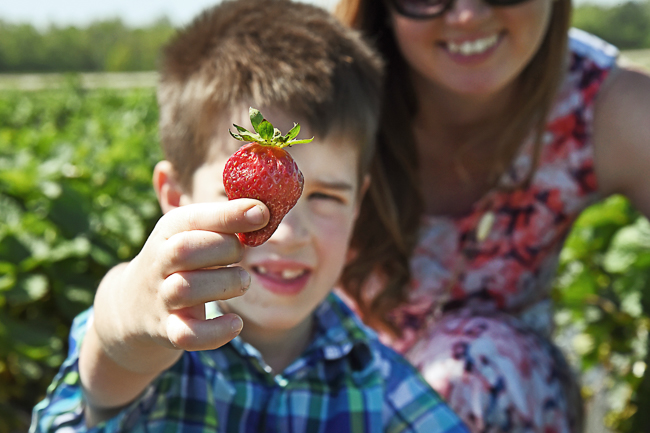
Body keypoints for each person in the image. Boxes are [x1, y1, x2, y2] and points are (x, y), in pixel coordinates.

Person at [30, 1, 471, 432]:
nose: (287, 231)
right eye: (242, 201)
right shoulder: (164, 339)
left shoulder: (381, 381)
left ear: (359, 203)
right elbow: (111, 356)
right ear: (175, 194)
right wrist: (127, 318)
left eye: (326, 198)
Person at [333, 0, 650, 432]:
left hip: (496, 396)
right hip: (332, 386)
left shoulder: (601, 103)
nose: (467, 14)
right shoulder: (323, 96)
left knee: (472, 367)